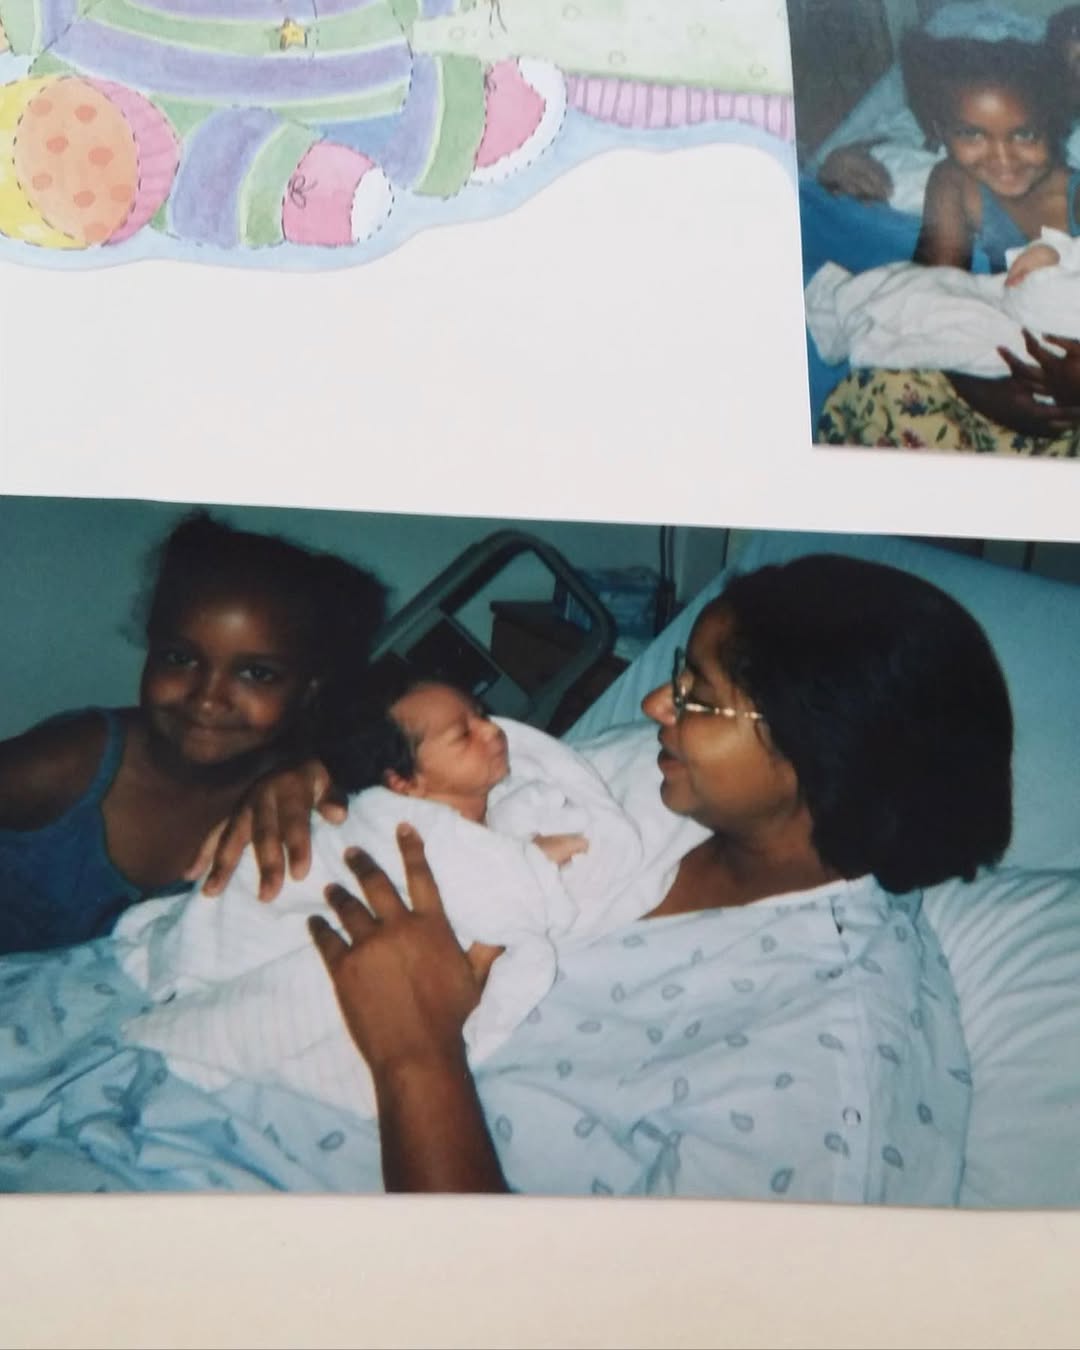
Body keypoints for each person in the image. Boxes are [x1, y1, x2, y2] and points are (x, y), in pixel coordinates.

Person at [239, 553, 1011, 1197]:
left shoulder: (828, 1088)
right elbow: (437, 787)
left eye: (698, 698)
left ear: (820, 754)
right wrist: (322, 780)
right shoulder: (661, 790)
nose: (650, 703)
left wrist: (416, 1052)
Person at [114, 677, 682, 1116]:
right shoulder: (405, 825)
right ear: (404, 782)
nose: (495, 731)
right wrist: (536, 863)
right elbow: (490, 893)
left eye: (482, 715)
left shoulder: (502, 809)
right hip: (289, 927)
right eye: (466, 733)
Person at [0, 511, 386, 956]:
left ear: (308, 689)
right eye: (179, 658)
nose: (206, 698)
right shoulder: (70, 761)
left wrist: (316, 773)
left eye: (257, 673)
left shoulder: (291, 792)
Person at [817, 31, 1080, 451]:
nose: (1002, 158)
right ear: (941, 131)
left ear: (1055, 126)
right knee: (877, 388)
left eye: (1025, 134)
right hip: (991, 353)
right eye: (972, 135)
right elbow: (931, 295)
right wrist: (980, 389)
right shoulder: (955, 181)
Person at [805, 227, 1080, 379]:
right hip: (1013, 303)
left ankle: (865, 331)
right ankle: (850, 312)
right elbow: (1068, 249)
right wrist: (1047, 251)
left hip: (1032, 343)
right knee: (936, 290)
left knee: (953, 322)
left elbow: (1040, 308)